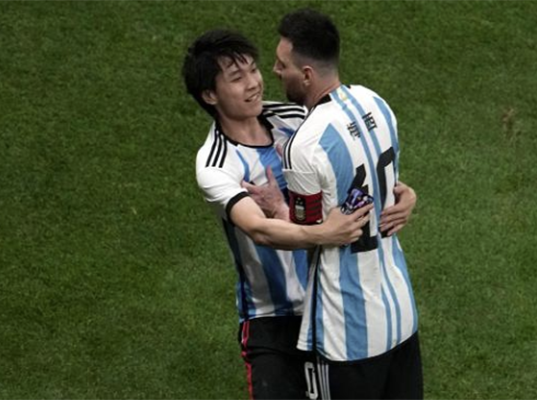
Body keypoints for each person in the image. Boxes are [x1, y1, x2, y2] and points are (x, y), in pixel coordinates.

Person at [182, 29, 416, 400]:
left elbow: (353, 169)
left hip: (329, 302)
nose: (255, 83)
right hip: (273, 317)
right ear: (210, 95)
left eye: (254, 70)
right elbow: (259, 229)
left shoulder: (295, 118)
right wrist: (324, 234)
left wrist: (404, 193)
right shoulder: (216, 164)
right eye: (237, 78)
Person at [271, 8, 424, 400]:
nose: (275, 71)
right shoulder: (376, 103)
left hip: (347, 331)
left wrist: (275, 206)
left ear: (307, 74)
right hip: (400, 311)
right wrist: (410, 196)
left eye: (282, 65)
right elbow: (387, 189)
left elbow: (309, 234)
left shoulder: (305, 145)